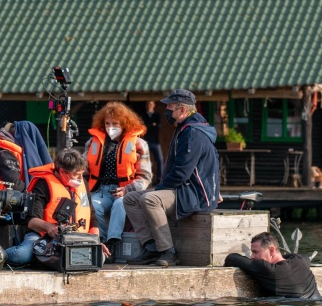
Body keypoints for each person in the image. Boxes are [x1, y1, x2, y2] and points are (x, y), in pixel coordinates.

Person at [124, 89, 220, 267]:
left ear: (182, 110)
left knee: (150, 199)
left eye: (170, 106)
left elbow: (181, 173)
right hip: (184, 189)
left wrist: (159, 189)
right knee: (130, 199)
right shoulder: (185, 128)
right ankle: (151, 247)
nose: (166, 110)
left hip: (194, 193)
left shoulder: (193, 133)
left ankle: (168, 251)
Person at [4, 149, 109, 267]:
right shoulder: (43, 184)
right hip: (42, 236)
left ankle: (43, 259)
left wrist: (95, 241)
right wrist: (49, 227)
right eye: (76, 175)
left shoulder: (82, 183)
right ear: (62, 172)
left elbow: (92, 216)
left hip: (76, 238)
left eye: (82, 174)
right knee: (22, 255)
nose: (80, 179)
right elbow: (31, 221)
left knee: (100, 258)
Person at [84, 102, 151, 262]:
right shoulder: (93, 142)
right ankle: (100, 244)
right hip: (101, 190)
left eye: (115, 124)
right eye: (107, 124)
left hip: (127, 190)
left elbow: (145, 177)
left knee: (120, 204)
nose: (110, 127)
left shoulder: (139, 144)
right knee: (93, 205)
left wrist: (127, 189)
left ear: (125, 123)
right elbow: (83, 168)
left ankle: (112, 243)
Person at [224, 232, 322, 299]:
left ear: (271, 250)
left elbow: (232, 258)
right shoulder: (300, 261)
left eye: (255, 252)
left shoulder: (267, 269)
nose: (251, 257)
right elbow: (302, 256)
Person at [140, 101, 164, 182]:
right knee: (145, 161)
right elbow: (142, 127)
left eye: (151, 104)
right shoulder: (143, 115)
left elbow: (158, 126)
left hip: (155, 141)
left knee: (160, 160)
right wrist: (152, 125)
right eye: (148, 104)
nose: (149, 106)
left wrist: (148, 125)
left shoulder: (157, 115)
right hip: (146, 142)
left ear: (154, 105)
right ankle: (147, 180)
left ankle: (160, 179)